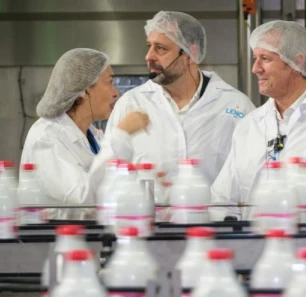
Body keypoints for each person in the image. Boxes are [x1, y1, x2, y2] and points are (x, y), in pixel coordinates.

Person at [210, 21, 306, 220]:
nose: (255, 68)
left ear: (297, 63)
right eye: (255, 58)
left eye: (265, 59)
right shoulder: (249, 125)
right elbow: (224, 200)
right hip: (255, 239)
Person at [90, 11, 256, 201]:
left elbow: (251, 179)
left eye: (161, 48)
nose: (149, 56)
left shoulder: (236, 106)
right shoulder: (131, 104)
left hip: (215, 220)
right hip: (148, 218)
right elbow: (105, 178)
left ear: (191, 54)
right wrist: (133, 181)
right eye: (149, 46)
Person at [21, 48, 141, 220]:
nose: (116, 92)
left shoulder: (92, 134)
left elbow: (107, 187)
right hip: (57, 235)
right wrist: (121, 134)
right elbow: (83, 198)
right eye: (109, 82)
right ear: (84, 90)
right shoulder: (46, 137)